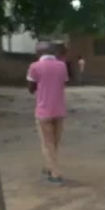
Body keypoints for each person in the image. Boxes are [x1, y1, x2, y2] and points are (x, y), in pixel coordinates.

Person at [27, 41, 69, 185]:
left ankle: (55, 174)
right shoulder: (62, 66)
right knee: (54, 142)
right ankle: (48, 165)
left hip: (43, 110)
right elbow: (63, 83)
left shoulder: (34, 66)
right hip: (59, 109)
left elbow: (31, 89)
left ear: (38, 53)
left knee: (47, 143)